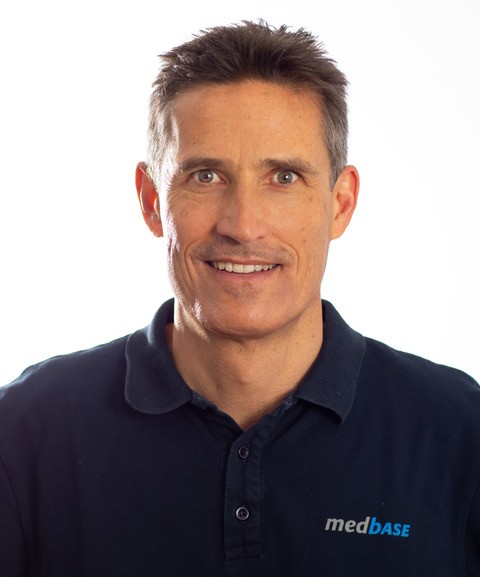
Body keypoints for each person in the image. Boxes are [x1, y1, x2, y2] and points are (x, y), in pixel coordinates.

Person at [0, 20, 479, 577]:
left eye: (284, 177)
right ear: (152, 201)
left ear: (341, 203)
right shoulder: (23, 434)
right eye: (206, 176)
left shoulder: (459, 431)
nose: (243, 225)